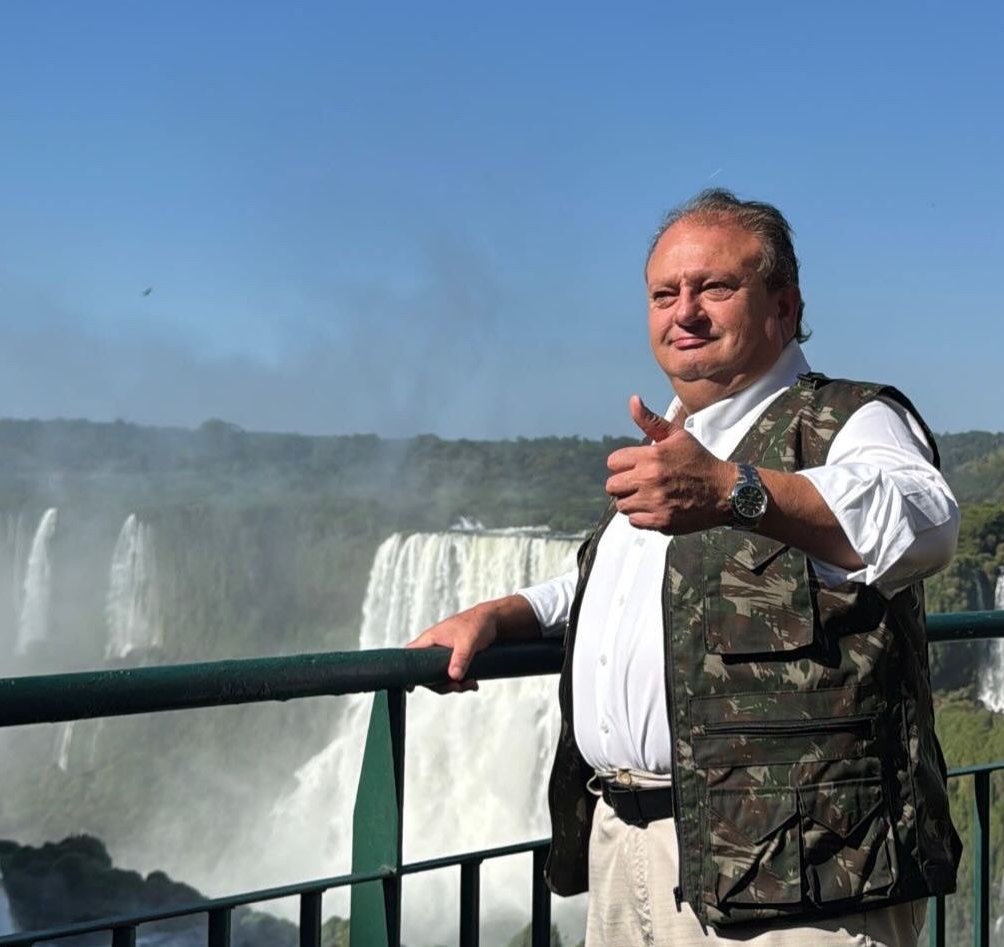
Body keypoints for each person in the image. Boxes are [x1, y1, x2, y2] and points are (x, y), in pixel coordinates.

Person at [408, 189, 962, 946]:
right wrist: (509, 613)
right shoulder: (676, 449)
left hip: (801, 875)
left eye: (716, 288)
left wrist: (734, 490)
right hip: (625, 846)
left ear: (784, 304)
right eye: (665, 293)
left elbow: (926, 522)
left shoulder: (847, 420)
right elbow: (636, 590)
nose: (685, 311)